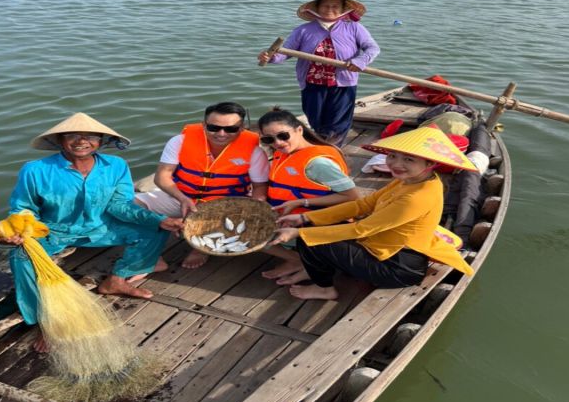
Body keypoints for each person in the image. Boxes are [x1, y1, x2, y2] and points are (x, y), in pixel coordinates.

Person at [0, 112, 183, 348]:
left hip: (103, 225)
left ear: (102, 141)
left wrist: (159, 219)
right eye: (72, 135)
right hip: (53, 230)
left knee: (154, 228)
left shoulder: (116, 166)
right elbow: (23, 207)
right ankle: (44, 321)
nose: (81, 141)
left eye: (91, 136)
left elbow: (120, 205)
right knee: (21, 257)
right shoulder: (35, 170)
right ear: (60, 140)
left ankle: (117, 280)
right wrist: (22, 228)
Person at [270, 125, 476, 301]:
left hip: (397, 267)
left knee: (307, 237)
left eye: (409, 160)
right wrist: (304, 216)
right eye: (393, 156)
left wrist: (299, 231)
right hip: (382, 247)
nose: (396, 164)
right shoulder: (407, 181)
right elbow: (363, 205)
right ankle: (312, 268)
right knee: (310, 225)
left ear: (430, 164)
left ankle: (325, 288)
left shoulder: (417, 196)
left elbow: (362, 228)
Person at [135, 102, 269, 269]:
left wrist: (254, 209)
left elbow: (259, 187)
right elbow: (162, 177)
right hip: (180, 197)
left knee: (247, 219)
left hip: (224, 205)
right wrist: (182, 198)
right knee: (130, 205)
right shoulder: (180, 141)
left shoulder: (254, 151)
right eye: (214, 127)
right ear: (204, 124)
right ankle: (151, 252)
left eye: (231, 129)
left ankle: (200, 249)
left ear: (241, 128)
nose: (221, 134)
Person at [258, 0, 380, 146]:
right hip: (312, 83)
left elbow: (372, 48)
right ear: (316, 8)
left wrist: (360, 61)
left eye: (335, 6)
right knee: (316, 120)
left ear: (343, 9)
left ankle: (332, 149)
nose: (330, 9)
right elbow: (286, 52)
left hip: (343, 83)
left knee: (338, 123)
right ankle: (321, 145)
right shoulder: (303, 30)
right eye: (325, 6)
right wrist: (271, 58)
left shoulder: (354, 28)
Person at [258, 107, 360, 283]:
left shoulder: (318, 163)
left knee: (249, 235)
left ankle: (299, 260)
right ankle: (300, 259)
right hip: (290, 215)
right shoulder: (284, 154)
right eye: (269, 139)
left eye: (283, 136)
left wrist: (302, 202)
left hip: (315, 221)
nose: (277, 143)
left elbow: (353, 196)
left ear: (299, 129)